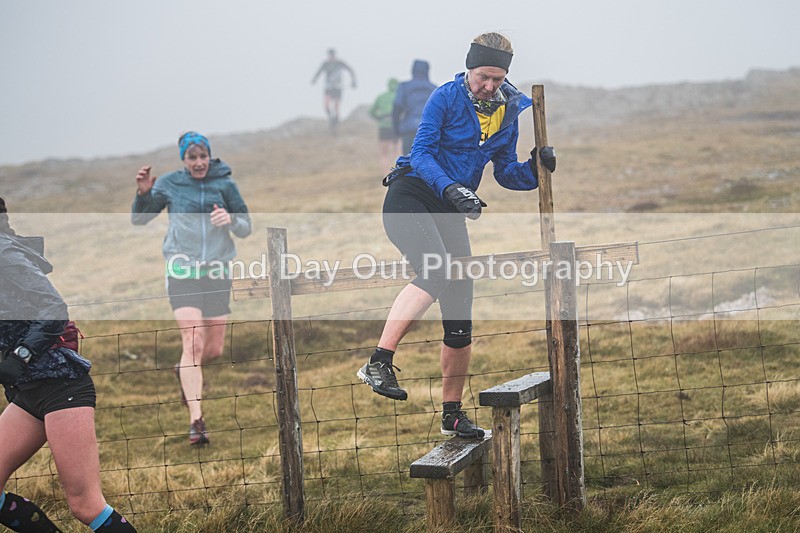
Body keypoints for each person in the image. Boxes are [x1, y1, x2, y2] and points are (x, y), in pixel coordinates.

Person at [357, 32, 557, 439]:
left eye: (497, 79)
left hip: (452, 209)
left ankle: (452, 414)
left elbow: (505, 172)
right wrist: (450, 187)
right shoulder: (444, 97)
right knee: (436, 271)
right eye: (483, 76)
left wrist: (538, 168)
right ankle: (378, 361)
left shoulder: (510, 110)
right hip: (412, 194)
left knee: (460, 314)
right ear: (470, 69)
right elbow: (422, 153)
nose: (489, 85)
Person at [0, 197, 136, 532]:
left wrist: (21, 355)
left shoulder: (6, 254)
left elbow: (53, 308)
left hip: (61, 387)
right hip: (29, 392)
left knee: (86, 505)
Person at [131, 132, 251, 446]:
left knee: (212, 350)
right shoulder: (170, 183)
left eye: (202, 157)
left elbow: (246, 225)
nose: (198, 163)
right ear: (184, 160)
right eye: (192, 158)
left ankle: (183, 369)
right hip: (182, 269)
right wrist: (144, 194)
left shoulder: (225, 184)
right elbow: (139, 219)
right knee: (194, 342)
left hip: (216, 269)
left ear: (209, 157)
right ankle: (197, 422)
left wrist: (230, 220)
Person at [392, 59, 437, 155]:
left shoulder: (404, 87)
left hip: (409, 129)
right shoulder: (434, 89)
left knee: (408, 161)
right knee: (427, 160)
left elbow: (396, 107)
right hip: (429, 131)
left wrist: (396, 128)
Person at [311, 48, 357, 131]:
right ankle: (331, 118)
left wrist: (353, 81)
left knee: (336, 106)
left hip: (338, 87)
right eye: (330, 55)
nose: (331, 57)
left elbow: (350, 70)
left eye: (332, 55)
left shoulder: (340, 63)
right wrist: (314, 79)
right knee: (326, 105)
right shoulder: (325, 64)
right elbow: (318, 72)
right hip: (328, 87)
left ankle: (336, 122)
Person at [369, 78, 401, 172]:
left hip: (383, 126)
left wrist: (379, 118)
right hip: (396, 126)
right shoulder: (399, 96)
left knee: (384, 154)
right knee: (397, 151)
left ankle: (386, 174)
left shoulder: (381, 97)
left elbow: (371, 111)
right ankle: (397, 172)